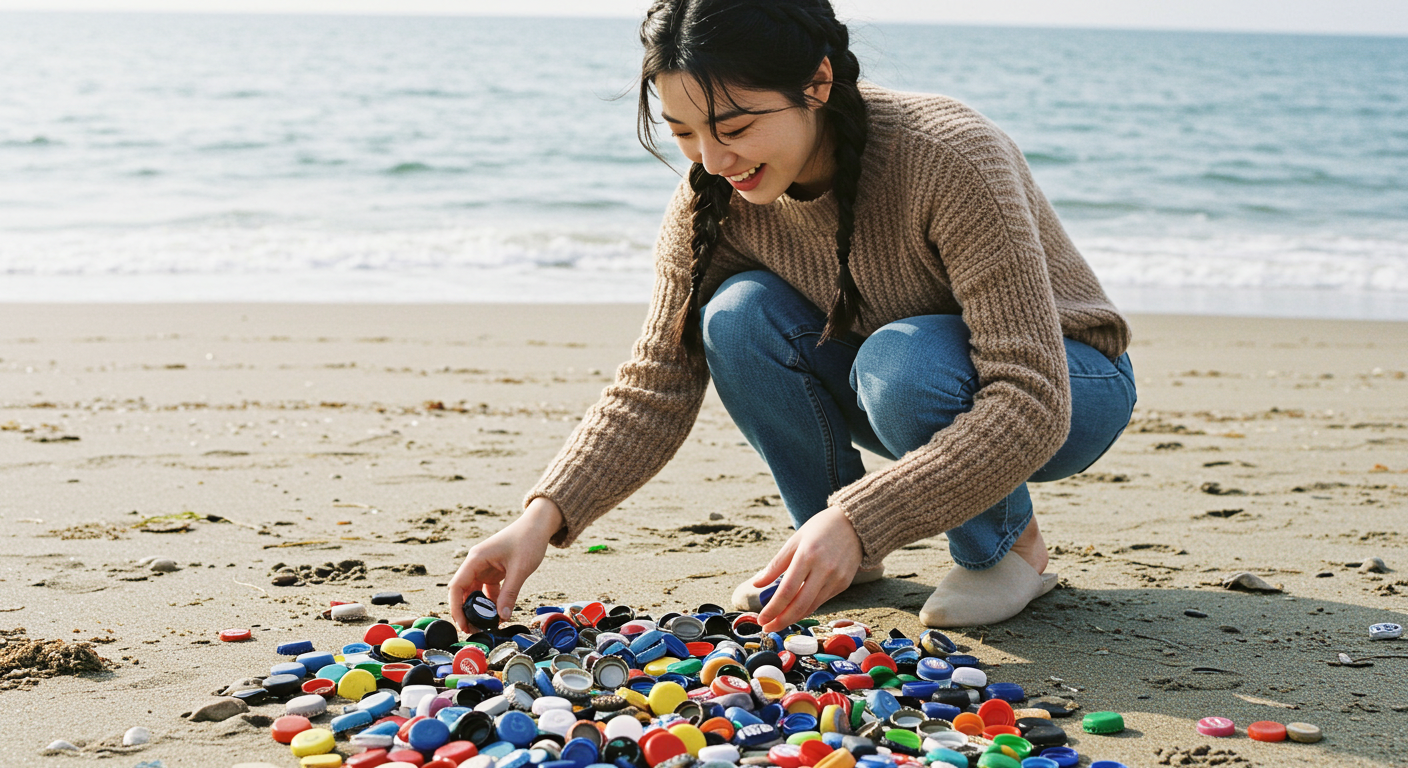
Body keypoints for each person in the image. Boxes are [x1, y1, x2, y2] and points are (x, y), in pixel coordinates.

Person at [448, 0, 1135, 636]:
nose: (714, 159)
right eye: (684, 132)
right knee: (737, 316)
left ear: (817, 84)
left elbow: (1030, 396)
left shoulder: (948, 155)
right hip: (891, 379)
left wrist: (861, 518)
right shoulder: (713, 198)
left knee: (904, 361)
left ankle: (1007, 547)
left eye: (736, 128)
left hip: (1069, 385)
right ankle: (828, 551)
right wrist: (541, 518)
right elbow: (657, 380)